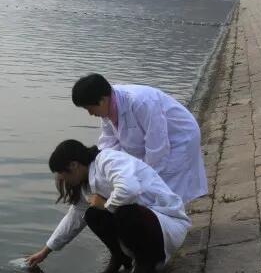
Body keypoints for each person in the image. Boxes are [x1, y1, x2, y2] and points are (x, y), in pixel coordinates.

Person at [26, 140, 190, 273]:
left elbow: (130, 190)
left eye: (62, 175)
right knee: (91, 215)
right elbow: (74, 219)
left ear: (74, 165)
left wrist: (106, 205)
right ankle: (120, 256)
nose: (64, 181)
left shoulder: (109, 160)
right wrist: (46, 251)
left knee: (125, 210)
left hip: (166, 222)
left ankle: (145, 263)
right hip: (148, 226)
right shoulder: (86, 184)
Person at [71, 73, 207, 204]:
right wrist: (99, 169)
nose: (90, 113)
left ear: (102, 100)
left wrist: (144, 177)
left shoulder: (141, 102)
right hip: (154, 141)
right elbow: (108, 144)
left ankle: (174, 222)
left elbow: (157, 148)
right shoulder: (108, 111)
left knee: (166, 188)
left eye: (90, 108)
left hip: (179, 137)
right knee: (149, 189)